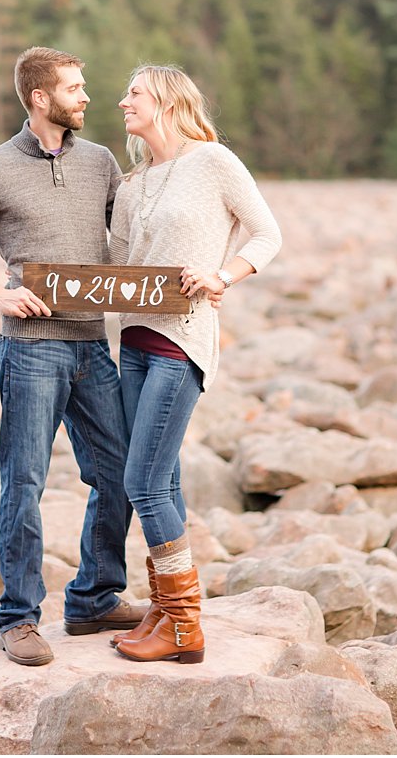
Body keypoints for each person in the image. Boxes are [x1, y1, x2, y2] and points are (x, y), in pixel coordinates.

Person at [0, 47, 142, 666]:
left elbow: (129, 239)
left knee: (120, 475)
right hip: (30, 352)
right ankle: (18, 617)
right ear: (40, 99)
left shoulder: (101, 162)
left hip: (92, 348)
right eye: (74, 89)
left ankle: (94, 598)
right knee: (23, 482)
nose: (85, 98)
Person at [107, 64, 282, 664]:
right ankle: (164, 608)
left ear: (166, 99)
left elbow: (266, 234)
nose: (122, 101)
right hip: (133, 344)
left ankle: (185, 623)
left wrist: (221, 275)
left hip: (183, 341)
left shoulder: (213, 163)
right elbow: (117, 264)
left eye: (133, 93)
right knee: (166, 479)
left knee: (143, 483)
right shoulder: (132, 185)